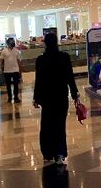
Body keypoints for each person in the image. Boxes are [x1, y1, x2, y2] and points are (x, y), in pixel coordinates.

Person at [33, 32, 80, 166]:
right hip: (61, 97)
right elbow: (70, 77)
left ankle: (48, 153)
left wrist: (36, 98)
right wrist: (74, 94)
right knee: (60, 125)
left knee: (47, 125)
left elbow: (39, 81)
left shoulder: (41, 60)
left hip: (47, 98)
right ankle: (59, 153)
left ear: (45, 43)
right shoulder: (64, 57)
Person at [0, 37, 22, 103]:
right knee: (8, 85)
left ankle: (16, 97)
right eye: (10, 43)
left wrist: (20, 70)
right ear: (8, 43)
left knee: (16, 85)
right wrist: (0, 69)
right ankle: (9, 97)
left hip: (15, 70)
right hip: (7, 70)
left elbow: (18, 61)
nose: (12, 45)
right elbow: (0, 61)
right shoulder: (4, 51)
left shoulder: (16, 51)